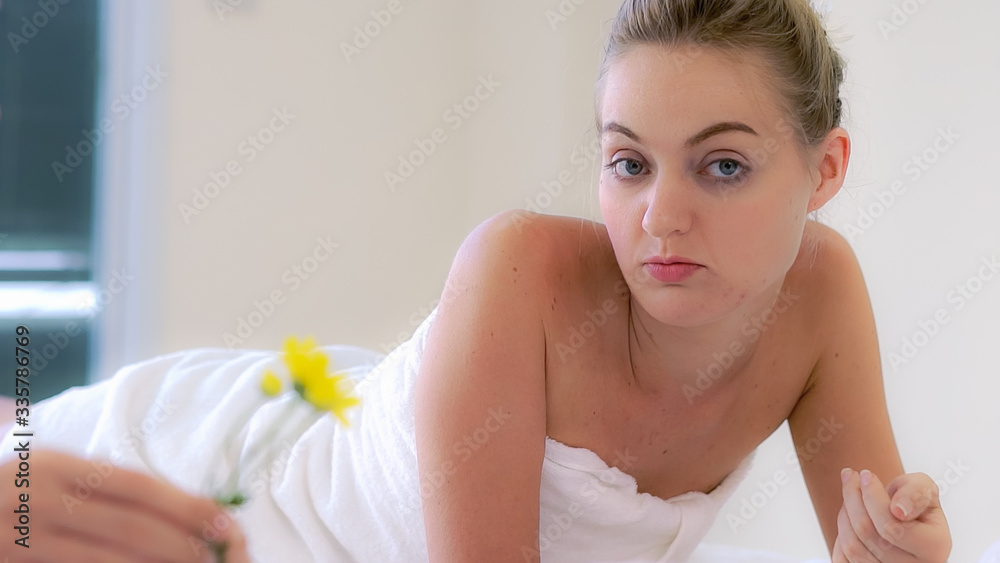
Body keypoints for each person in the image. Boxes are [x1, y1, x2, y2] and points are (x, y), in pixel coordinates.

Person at [0, 0, 952, 561]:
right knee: (31, 468)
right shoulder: (520, 272)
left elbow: (872, 542)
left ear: (825, 169)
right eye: (629, 163)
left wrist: (904, 541)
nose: (661, 216)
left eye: (723, 166)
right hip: (238, 486)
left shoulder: (820, 293)